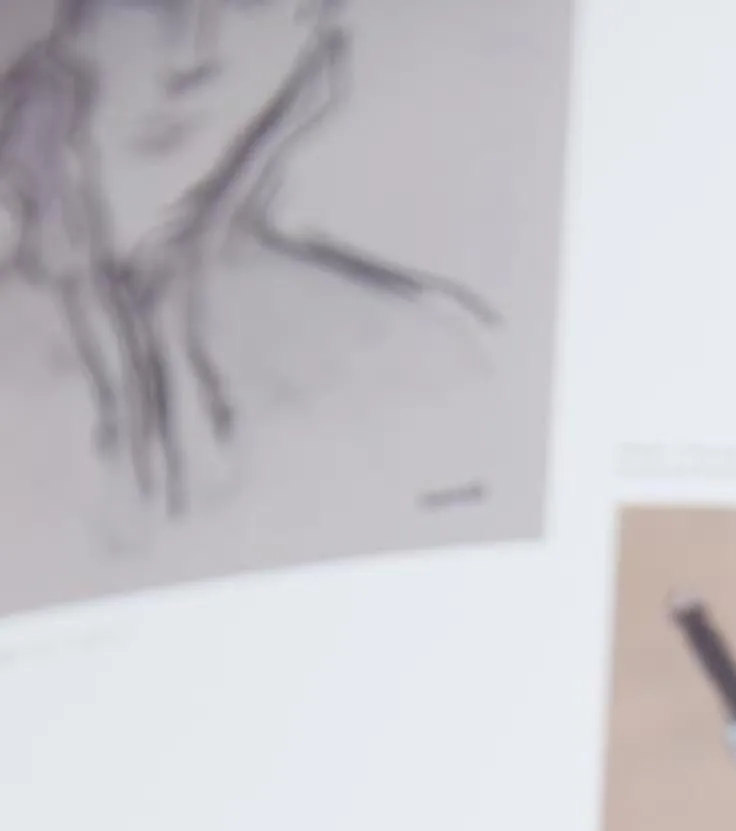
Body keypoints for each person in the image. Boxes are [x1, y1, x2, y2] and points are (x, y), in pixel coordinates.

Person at [0, 0, 490, 518]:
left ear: (313, 23)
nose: (192, 57)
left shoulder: (423, 353)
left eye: (246, 6)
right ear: (71, 23)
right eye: (149, 4)